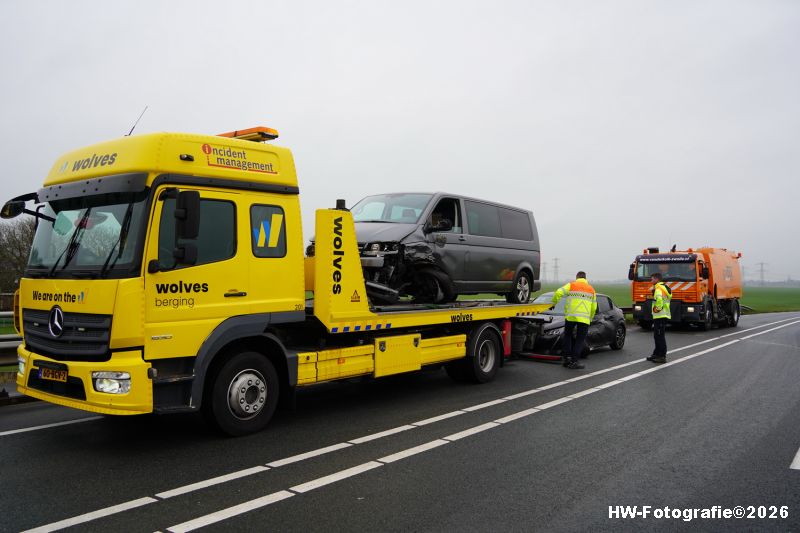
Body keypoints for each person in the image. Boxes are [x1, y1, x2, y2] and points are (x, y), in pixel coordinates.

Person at [552, 271, 597, 369]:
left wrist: (554, 303)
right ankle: (574, 361)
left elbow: (558, 292)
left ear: (577, 277)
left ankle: (567, 358)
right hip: (584, 319)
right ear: (585, 278)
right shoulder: (591, 289)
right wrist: (590, 318)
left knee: (567, 336)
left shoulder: (571, 285)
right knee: (579, 340)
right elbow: (594, 307)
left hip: (571, 316)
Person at [647, 272, 671, 363]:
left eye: (652, 279)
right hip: (662, 315)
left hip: (660, 315)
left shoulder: (658, 288)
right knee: (657, 335)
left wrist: (657, 309)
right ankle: (656, 354)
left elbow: (659, 300)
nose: (651, 280)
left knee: (659, 336)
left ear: (657, 279)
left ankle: (662, 356)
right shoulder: (664, 287)